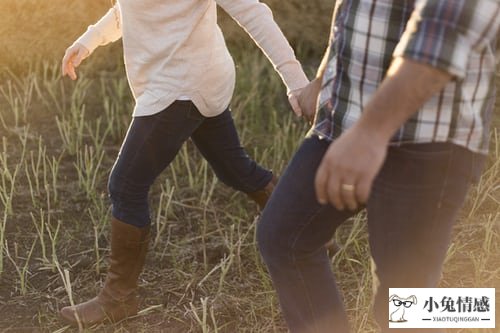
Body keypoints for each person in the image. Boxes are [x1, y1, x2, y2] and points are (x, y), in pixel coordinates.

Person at [59, 0, 309, 326]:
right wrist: (88, 40)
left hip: (180, 85)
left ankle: (118, 298)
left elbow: (252, 11)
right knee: (235, 169)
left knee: (126, 184)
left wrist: (298, 83)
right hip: (196, 76)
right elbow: (128, 10)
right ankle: (306, 230)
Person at [257, 0, 499, 332]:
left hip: (427, 140)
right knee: (284, 237)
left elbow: (442, 40)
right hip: (345, 123)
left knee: (403, 310)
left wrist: (370, 133)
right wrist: (323, 75)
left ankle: (485, 309)